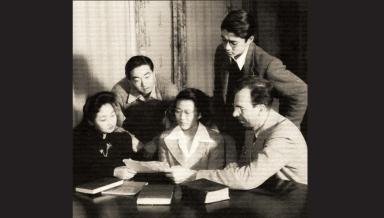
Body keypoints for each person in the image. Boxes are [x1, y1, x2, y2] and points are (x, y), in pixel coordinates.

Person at [165, 77, 307, 189]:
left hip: (293, 203)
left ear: (261, 109)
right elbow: (243, 168)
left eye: (241, 109)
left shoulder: (283, 135)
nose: (234, 114)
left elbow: (247, 179)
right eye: (234, 107)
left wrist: (193, 174)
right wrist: (234, 167)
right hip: (271, 195)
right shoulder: (252, 127)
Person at [212, 10, 307, 152]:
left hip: (256, 135)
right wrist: (217, 125)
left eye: (233, 43)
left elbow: (301, 91)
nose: (227, 47)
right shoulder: (221, 52)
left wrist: (285, 130)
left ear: (250, 40)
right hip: (230, 132)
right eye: (223, 39)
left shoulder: (267, 65)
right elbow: (219, 92)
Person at [73, 91, 142, 186]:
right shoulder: (78, 139)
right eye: (103, 119)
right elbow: (79, 172)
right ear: (91, 121)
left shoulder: (122, 137)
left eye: (112, 115)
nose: (111, 122)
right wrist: (112, 171)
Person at [111, 55, 178, 143]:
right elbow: (113, 125)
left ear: (153, 73)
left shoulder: (168, 89)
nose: (144, 84)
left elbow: (177, 123)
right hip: (132, 135)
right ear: (129, 81)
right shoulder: (118, 92)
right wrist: (131, 140)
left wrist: (156, 142)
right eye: (137, 80)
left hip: (162, 135)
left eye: (147, 77)